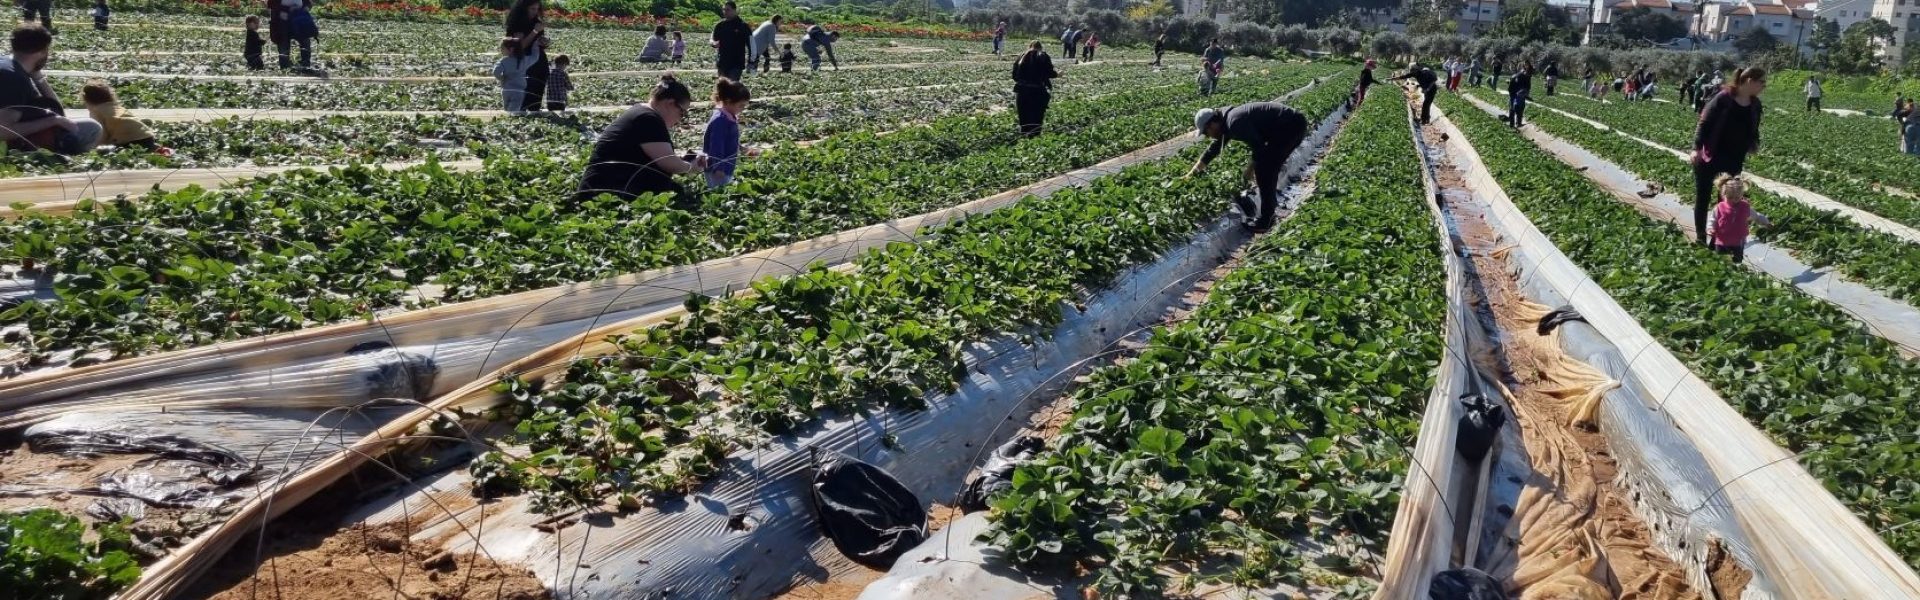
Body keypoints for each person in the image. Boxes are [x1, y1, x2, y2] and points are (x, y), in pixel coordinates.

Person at [576, 75, 705, 203]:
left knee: (677, 192)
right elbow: (668, 163)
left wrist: (682, 160)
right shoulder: (648, 119)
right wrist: (690, 167)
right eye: (682, 113)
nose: (680, 119)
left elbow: (659, 157)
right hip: (607, 192)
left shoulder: (641, 112)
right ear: (670, 104)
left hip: (606, 187)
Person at [1187, 102, 1309, 232]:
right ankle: (1269, 215)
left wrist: (1249, 170)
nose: (1208, 136)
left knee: (1264, 169)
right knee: (1267, 168)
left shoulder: (1234, 122)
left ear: (1211, 125)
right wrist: (1191, 173)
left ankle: (1266, 221)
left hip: (1290, 126)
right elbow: (1213, 150)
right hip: (1290, 125)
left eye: (1206, 133)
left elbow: (1259, 147)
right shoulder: (1225, 121)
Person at [1691, 67, 1766, 246]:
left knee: (1726, 201)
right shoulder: (1723, 98)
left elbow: (1754, 128)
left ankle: (1718, 240)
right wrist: (1696, 148)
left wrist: (1753, 144)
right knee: (1703, 197)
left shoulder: (1755, 104)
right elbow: (1704, 122)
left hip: (1734, 159)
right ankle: (1701, 237)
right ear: (1749, 81)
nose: (1764, 86)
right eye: (1761, 82)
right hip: (1710, 155)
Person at [0, 26, 102, 155]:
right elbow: (2, 130)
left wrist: (38, 78)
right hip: (10, 145)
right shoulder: (14, 78)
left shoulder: (8, 64)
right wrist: (52, 121)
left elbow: (55, 109)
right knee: (92, 127)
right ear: (43, 51)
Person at [703, 77, 759, 188]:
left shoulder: (728, 117)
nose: (742, 109)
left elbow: (728, 140)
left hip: (725, 166)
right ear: (728, 102)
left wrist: (743, 149)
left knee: (723, 192)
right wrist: (718, 168)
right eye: (741, 105)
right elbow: (716, 146)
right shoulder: (720, 120)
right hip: (717, 169)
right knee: (718, 194)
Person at [81, 80, 164, 153]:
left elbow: (102, 135)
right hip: (147, 136)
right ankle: (152, 147)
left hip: (128, 141)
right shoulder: (117, 107)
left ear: (87, 100)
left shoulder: (96, 111)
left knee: (106, 150)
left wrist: (94, 148)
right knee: (144, 149)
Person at [1706, 174, 1769, 263]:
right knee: (1721, 261)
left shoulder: (1745, 207)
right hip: (1721, 240)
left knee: (1737, 261)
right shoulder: (1720, 207)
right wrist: (1710, 228)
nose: (1734, 200)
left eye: (1737, 198)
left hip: (1738, 241)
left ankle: (1736, 271)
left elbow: (1757, 216)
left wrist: (1766, 222)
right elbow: (1713, 220)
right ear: (1724, 195)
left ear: (1741, 195)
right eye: (1730, 198)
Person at [505, 0, 549, 113]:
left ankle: (534, 112)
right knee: (524, 92)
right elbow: (520, 46)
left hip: (539, 60)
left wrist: (544, 42)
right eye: (532, 9)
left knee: (538, 88)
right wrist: (535, 31)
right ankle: (521, 113)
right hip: (523, 61)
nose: (535, 12)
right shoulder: (516, 23)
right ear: (524, 8)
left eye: (537, 9)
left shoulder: (537, 22)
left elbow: (537, 42)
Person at [1011, 40, 1059, 137]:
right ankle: (1034, 140)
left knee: (1024, 119)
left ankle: (1024, 141)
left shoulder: (1021, 56)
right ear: (1040, 47)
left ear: (1029, 46)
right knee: (1036, 119)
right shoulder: (1043, 56)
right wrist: (1058, 74)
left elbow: (1015, 76)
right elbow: (1049, 73)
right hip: (1037, 91)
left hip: (1021, 91)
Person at [270, 0, 318, 72]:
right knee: (283, 42)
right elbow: (272, 4)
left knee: (305, 41)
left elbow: (307, 2)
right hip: (282, 19)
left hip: (299, 17)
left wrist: (306, 7)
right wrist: (287, 9)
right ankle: (285, 66)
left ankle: (305, 64)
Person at [709, 1, 751, 81]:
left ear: (735, 10)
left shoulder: (743, 26)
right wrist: (713, 43)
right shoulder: (720, 25)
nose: (725, 12)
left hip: (736, 64)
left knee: (732, 88)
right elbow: (712, 39)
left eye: (728, 10)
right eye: (724, 10)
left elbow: (751, 45)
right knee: (722, 88)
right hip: (722, 63)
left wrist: (751, 62)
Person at [493, 37, 534, 114]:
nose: (501, 50)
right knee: (514, 111)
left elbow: (495, 72)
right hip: (518, 91)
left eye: (502, 48)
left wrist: (502, 78)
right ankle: (511, 120)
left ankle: (507, 121)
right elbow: (535, 57)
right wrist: (536, 46)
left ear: (511, 49)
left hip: (506, 90)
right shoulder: (524, 60)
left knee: (506, 109)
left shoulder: (503, 60)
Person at [1507, 61, 1532, 128]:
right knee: (1520, 107)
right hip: (1517, 92)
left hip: (1512, 91)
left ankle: (1512, 124)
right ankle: (1518, 123)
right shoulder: (1525, 77)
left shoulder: (1516, 75)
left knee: (1512, 107)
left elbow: (1510, 85)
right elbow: (1526, 89)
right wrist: (1525, 95)